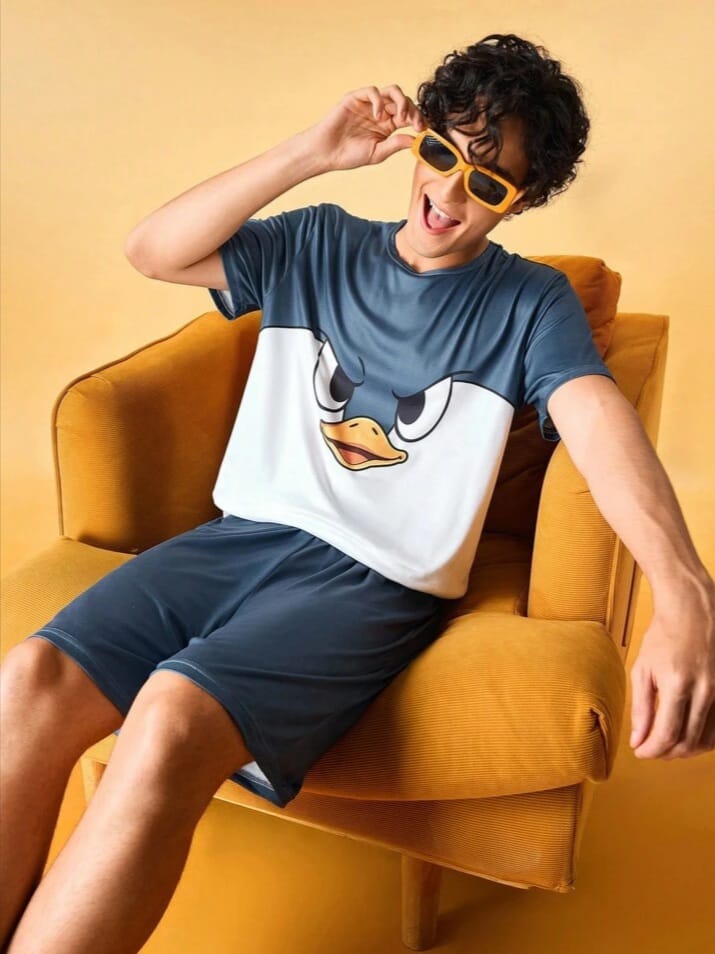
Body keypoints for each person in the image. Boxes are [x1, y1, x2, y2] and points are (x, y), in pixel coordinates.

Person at [3, 32, 714, 954]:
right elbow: (153, 251)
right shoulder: (318, 241)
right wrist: (311, 152)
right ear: (418, 138)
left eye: (489, 183)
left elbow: (596, 420)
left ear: (524, 199)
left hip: (370, 580)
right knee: (30, 677)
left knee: (173, 717)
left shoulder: (530, 303)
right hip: (236, 540)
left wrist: (685, 594)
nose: (449, 194)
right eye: (441, 154)